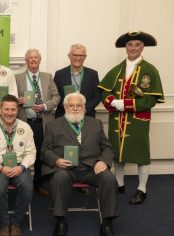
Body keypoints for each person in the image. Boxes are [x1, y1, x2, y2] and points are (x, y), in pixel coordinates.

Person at [98, 31, 164, 205]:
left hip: (137, 120)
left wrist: (125, 104)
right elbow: (105, 92)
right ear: (125, 47)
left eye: (137, 44)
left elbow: (150, 99)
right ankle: (119, 183)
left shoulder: (150, 70)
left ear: (143, 47)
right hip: (116, 119)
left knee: (141, 154)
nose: (133, 48)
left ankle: (142, 189)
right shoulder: (117, 69)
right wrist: (111, 101)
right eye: (130, 45)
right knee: (117, 152)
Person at [41, 92, 118, 236]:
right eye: (71, 105)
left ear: (84, 107)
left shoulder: (96, 123)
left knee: (109, 178)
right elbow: (45, 150)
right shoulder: (53, 125)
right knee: (59, 178)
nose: (75, 108)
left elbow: (107, 147)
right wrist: (56, 160)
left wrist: (103, 161)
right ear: (65, 107)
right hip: (66, 168)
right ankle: (61, 220)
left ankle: (107, 222)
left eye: (79, 105)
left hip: (91, 168)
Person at [0, 95, 35, 236]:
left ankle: (16, 223)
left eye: (13, 109)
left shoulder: (26, 127)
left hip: (20, 167)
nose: (9, 113)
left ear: (17, 110)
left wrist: (22, 167)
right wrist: (0, 168)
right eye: (6, 109)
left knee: (28, 187)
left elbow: (31, 153)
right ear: (0, 109)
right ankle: (4, 224)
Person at [16, 48, 60, 196]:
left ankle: (39, 184)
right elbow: (10, 98)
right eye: (30, 58)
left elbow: (56, 97)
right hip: (24, 122)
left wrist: (45, 106)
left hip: (43, 122)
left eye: (36, 58)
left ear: (40, 60)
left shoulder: (48, 77)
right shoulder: (17, 78)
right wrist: (18, 100)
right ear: (26, 61)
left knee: (41, 154)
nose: (33, 60)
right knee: (23, 153)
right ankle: (23, 182)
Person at [54, 43, 101, 118]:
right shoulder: (59, 74)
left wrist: (84, 109)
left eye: (81, 55)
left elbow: (97, 96)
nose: (78, 58)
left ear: (85, 57)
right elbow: (56, 96)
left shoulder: (93, 74)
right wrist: (68, 108)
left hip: (87, 116)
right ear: (69, 56)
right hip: (63, 116)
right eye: (75, 55)